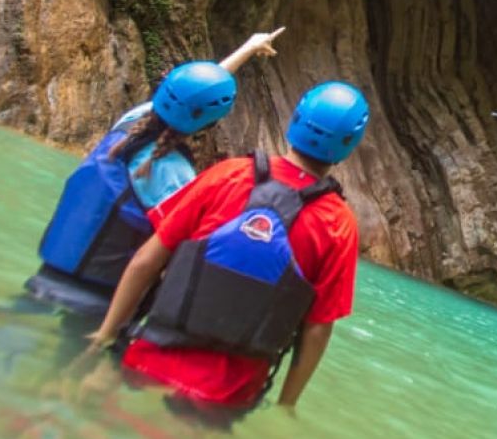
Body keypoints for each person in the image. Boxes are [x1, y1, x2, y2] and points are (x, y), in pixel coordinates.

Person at [86, 81, 369, 418]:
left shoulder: (228, 174)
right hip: (227, 393)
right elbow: (318, 327)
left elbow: (147, 260)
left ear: (296, 119)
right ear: (349, 144)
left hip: (150, 360)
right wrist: (287, 405)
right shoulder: (338, 223)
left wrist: (105, 334)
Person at [24, 29, 286, 318]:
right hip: (101, 300)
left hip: (49, 272)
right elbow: (179, 250)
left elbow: (194, 92)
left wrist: (247, 48)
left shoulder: (131, 122)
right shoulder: (175, 175)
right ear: (210, 123)